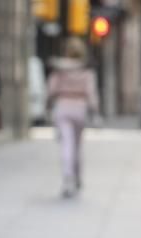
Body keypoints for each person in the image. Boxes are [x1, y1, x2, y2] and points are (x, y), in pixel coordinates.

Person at [48, 37, 99, 198]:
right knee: (77, 146)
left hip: (63, 106)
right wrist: (95, 110)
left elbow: (51, 89)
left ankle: (68, 178)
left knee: (66, 145)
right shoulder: (86, 70)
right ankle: (77, 177)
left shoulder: (59, 69)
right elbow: (91, 93)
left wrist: (48, 104)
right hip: (80, 108)